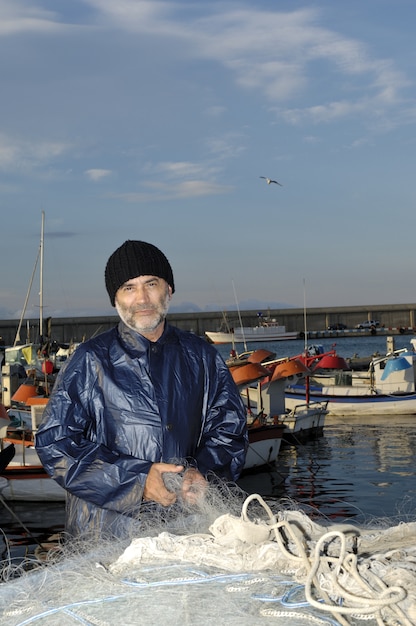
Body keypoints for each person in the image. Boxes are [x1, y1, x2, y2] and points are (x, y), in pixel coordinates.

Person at [35, 240, 248, 538]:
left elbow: (229, 431)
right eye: (128, 288)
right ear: (115, 300)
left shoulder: (203, 357)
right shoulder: (90, 360)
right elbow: (54, 444)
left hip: (186, 534)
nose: (142, 298)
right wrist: (136, 482)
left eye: (151, 283)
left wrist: (202, 469)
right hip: (104, 539)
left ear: (169, 289)